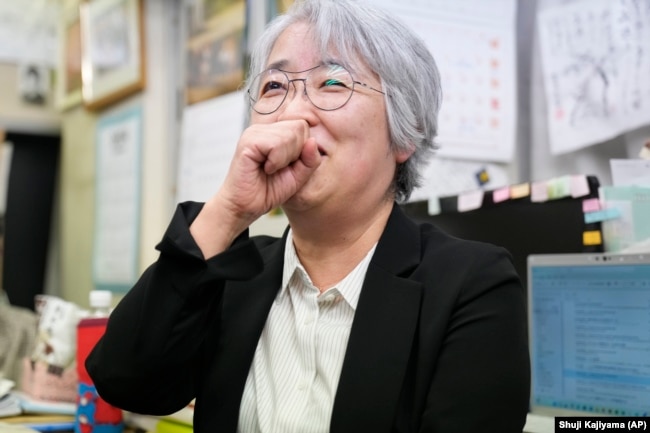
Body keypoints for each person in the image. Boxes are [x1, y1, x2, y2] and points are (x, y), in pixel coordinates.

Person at [86, 0, 531, 432]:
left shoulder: (473, 284)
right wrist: (228, 211)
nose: (293, 113)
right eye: (274, 87)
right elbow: (126, 382)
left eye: (333, 83)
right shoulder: (235, 275)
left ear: (403, 134)